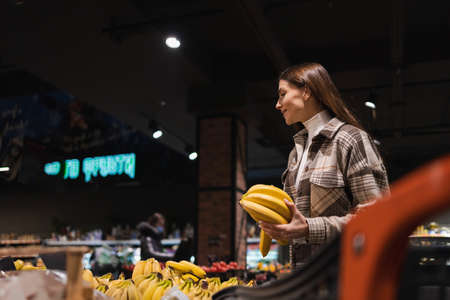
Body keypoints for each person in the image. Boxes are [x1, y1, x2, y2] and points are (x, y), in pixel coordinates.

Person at [259, 62, 390, 269]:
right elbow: (298, 223)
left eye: (282, 94)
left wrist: (308, 229)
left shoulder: (350, 140)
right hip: (305, 278)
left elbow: (378, 219)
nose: (277, 104)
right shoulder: (296, 153)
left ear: (306, 91)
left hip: (344, 278)